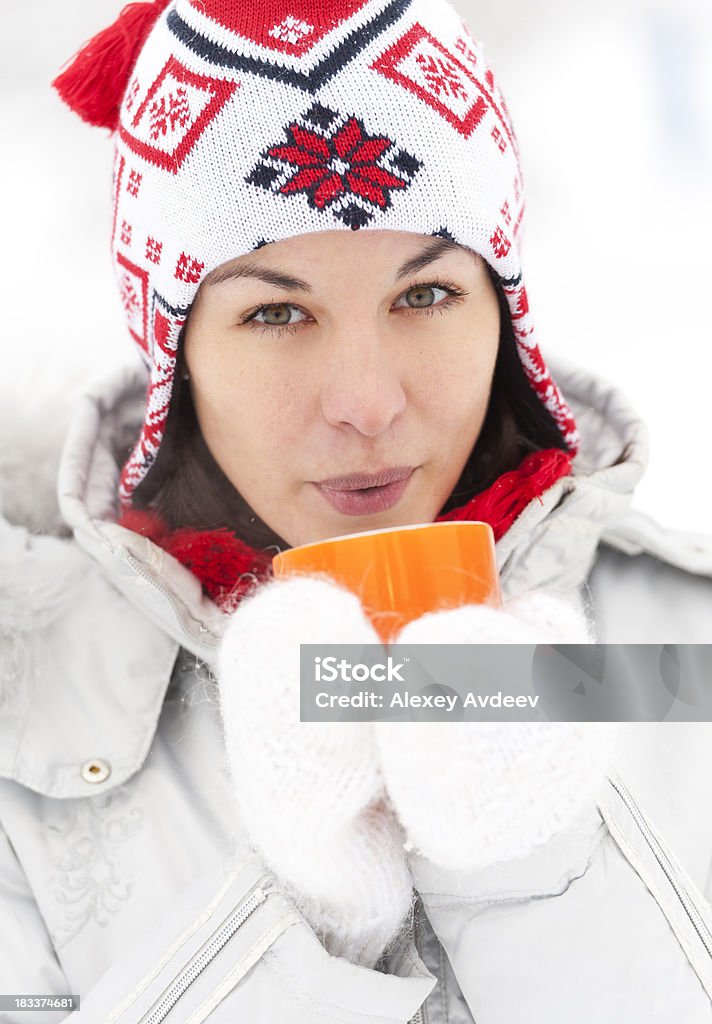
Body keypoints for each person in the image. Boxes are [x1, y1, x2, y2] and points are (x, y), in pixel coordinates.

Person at [1, 0, 712, 1021]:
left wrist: (530, 865)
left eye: (424, 296)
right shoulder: (24, 710)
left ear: (500, 307)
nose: (368, 403)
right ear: (175, 351)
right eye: (276, 312)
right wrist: (306, 925)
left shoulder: (680, 655)